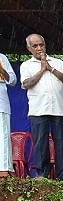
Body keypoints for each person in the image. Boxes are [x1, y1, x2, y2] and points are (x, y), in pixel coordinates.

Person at [20, 34, 63, 179]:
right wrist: (42, 70)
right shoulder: (26, 65)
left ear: (45, 44)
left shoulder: (57, 62)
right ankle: (43, 177)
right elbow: (26, 84)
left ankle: (62, 178)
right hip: (38, 110)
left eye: (41, 45)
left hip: (59, 109)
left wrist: (51, 69)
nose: (39, 48)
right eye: (35, 46)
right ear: (29, 48)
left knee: (60, 144)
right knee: (41, 144)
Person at [0, 49, 16, 177]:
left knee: (3, 136)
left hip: (1, 104)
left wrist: (2, 71)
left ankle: (4, 170)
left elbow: (13, 81)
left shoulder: (2, 58)